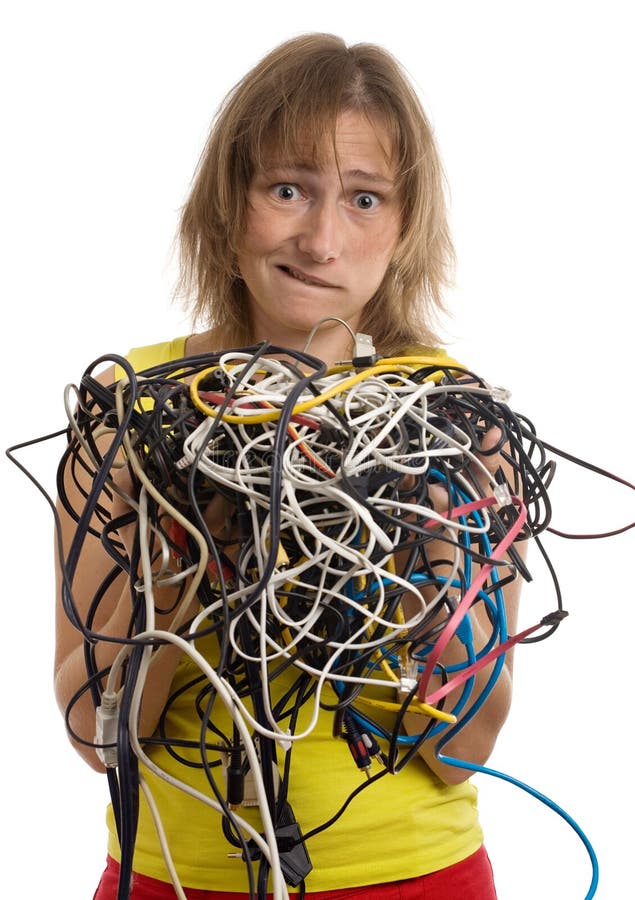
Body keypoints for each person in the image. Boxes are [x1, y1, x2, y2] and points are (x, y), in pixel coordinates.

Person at [54, 32, 526, 899]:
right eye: (286, 189)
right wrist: (196, 547)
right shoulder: (131, 409)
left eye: (364, 199)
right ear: (228, 201)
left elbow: (462, 750)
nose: (319, 239)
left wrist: (429, 552)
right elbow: (95, 735)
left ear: (403, 224)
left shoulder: (451, 418)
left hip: (416, 879)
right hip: (174, 878)